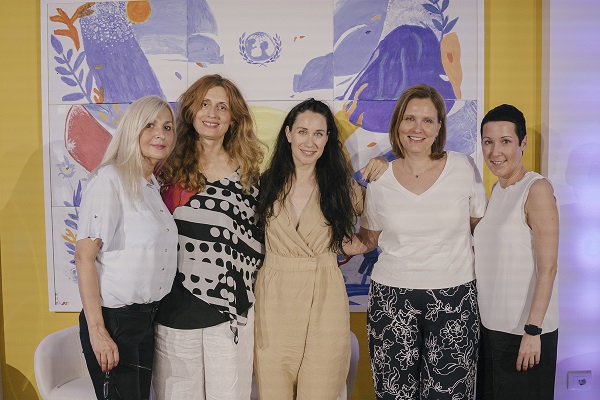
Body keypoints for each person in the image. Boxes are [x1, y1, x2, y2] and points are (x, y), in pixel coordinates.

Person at [344, 84, 487, 399]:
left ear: (439, 127)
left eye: (427, 120)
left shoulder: (463, 167)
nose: (417, 128)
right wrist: (320, 241)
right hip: (392, 299)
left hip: (454, 298)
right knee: (394, 393)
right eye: (409, 118)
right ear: (398, 124)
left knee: (449, 393)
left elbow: (482, 230)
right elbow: (367, 240)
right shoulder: (379, 178)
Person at [151, 74, 264, 400]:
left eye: (222, 107)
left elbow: (259, 244)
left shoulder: (249, 177)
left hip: (229, 319)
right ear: (191, 111)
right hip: (173, 315)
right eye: (204, 104)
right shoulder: (165, 170)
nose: (212, 113)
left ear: (233, 118)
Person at [253, 98, 364, 400]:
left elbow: (380, 216)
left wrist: (361, 242)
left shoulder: (341, 186)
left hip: (325, 295)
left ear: (328, 139)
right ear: (288, 133)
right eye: (302, 131)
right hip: (274, 299)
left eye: (318, 134)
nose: (310, 142)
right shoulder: (264, 184)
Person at [75, 95, 178, 400]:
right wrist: (98, 331)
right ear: (132, 129)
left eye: (168, 127)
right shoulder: (110, 179)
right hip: (115, 322)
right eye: (150, 125)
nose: (160, 134)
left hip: (147, 320)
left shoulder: (152, 186)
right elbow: (84, 257)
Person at [474, 104, 559, 400]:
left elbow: (548, 267)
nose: (495, 152)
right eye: (488, 142)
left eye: (505, 141)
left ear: (523, 143)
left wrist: (533, 331)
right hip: (492, 330)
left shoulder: (536, 189)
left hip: (525, 334)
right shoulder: (497, 191)